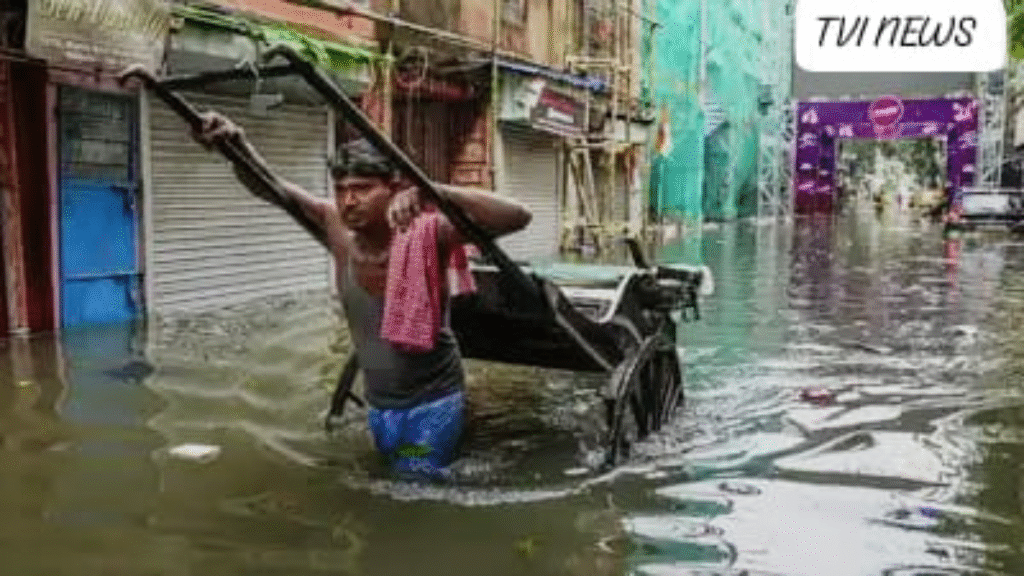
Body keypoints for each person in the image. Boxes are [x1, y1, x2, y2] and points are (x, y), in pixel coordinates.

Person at [193, 112, 531, 477]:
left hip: (433, 405)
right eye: (341, 190)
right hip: (379, 405)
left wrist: (435, 191)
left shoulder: (429, 233)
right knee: (391, 470)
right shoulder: (335, 226)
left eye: (362, 189)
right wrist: (236, 145)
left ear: (395, 188)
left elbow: (516, 216)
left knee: (416, 476)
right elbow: (270, 187)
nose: (349, 201)